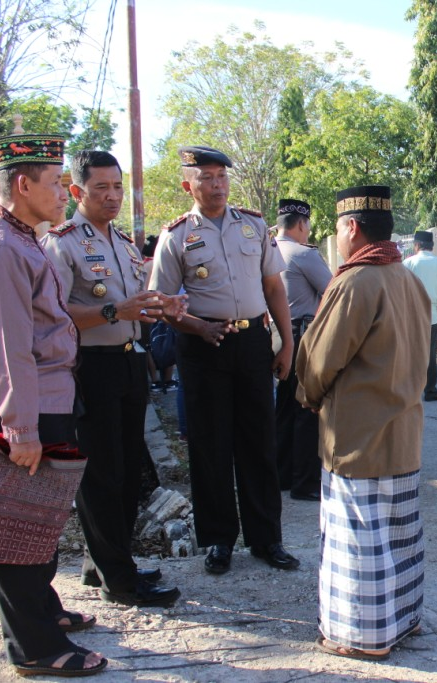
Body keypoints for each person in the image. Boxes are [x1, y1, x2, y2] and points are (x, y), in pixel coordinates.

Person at [0, 132, 107, 676]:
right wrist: (20, 427)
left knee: (42, 520)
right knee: (17, 528)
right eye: (56, 184)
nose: (63, 192)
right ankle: (33, 647)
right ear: (23, 185)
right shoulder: (3, 247)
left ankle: (44, 611)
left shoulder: (26, 236)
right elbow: (4, 344)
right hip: (25, 407)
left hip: (48, 397)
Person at [42, 150, 183, 607]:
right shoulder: (61, 243)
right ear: (77, 191)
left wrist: (162, 305)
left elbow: (133, 303)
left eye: (117, 187)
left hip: (128, 362)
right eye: (101, 188)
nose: (112, 196)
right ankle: (120, 581)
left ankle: (103, 561)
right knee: (102, 475)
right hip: (91, 367)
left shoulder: (122, 242)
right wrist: (112, 311)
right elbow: (53, 316)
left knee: (124, 471)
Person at [149, 145, 298, 574]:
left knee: (258, 443)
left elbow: (274, 289)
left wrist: (285, 343)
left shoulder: (252, 226)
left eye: (221, 177)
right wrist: (198, 327)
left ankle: (267, 539)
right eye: (207, 178)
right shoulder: (175, 236)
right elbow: (163, 304)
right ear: (187, 185)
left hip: (252, 343)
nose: (216, 185)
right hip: (203, 349)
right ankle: (218, 541)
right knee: (210, 445)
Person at [296, 185, 430, 661]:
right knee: (398, 534)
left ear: (351, 227)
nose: (337, 236)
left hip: (357, 436)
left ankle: (363, 636)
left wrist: (308, 396)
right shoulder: (405, 277)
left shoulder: (356, 282)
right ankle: (402, 621)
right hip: (403, 432)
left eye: (337, 228)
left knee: (359, 541)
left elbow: (319, 361)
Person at [273, 198, 332, 501]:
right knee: (307, 409)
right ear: (300, 224)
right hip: (301, 337)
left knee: (283, 409)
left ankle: (282, 474)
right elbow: (333, 291)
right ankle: (305, 482)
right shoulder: (302, 254)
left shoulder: (267, 250)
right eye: (307, 226)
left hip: (274, 338)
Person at [403, 229, 437, 401]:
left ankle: (410, 390)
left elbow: (400, 291)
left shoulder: (407, 264)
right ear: (431, 246)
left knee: (411, 353)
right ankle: (430, 391)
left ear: (416, 245)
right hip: (432, 316)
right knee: (431, 355)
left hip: (410, 316)